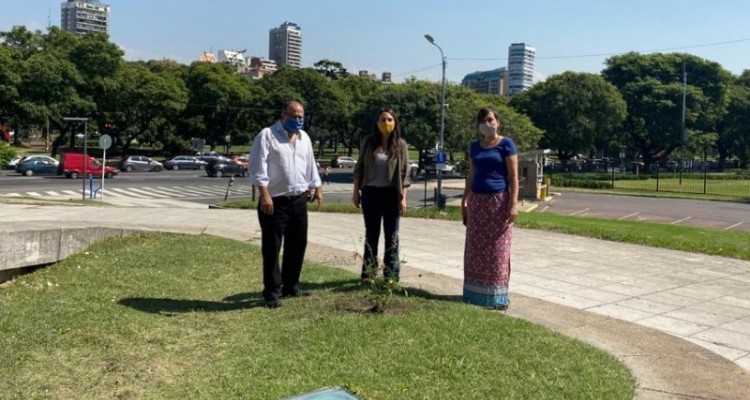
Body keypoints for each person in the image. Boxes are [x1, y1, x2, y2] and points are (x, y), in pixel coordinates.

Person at [249, 100, 323, 308]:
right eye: (294, 116)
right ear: (283, 115)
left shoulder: (304, 138)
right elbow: (257, 166)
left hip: (298, 199)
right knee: (272, 247)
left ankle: (291, 285)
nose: (298, 120)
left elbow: (310, 164)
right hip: (274, 201)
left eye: (301, 116)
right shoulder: (267, 136)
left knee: (297, 244)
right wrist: (264, 194)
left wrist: (317, 187)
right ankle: (272, 291)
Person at [461, 106, 519, 310]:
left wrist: (513, 204)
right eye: (483, 121)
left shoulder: (506, 145)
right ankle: (474, 295)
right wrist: (464, 200)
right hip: (477, 202)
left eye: (491, 119)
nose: (488, 124)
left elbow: (513, 177)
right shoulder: (475, 147)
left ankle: (497, 297)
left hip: (498, 202)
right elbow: (471, 174)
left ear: (498, 122)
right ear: (478, 126)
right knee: (475, 249)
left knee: (498, 250)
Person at [352, 108, 411, 282]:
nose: (386, 123)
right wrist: (356, 192)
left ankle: (391, 274)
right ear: (377, 123)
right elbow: (359, 168)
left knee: (392, 235)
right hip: (371, 193)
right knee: (371, 234)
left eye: (390, 119)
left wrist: (403, 198)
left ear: (395, 122)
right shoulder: (369, 143)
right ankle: (369, 273)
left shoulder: (400, 145)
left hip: (392, 194)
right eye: (383, 120)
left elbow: (405, 173)